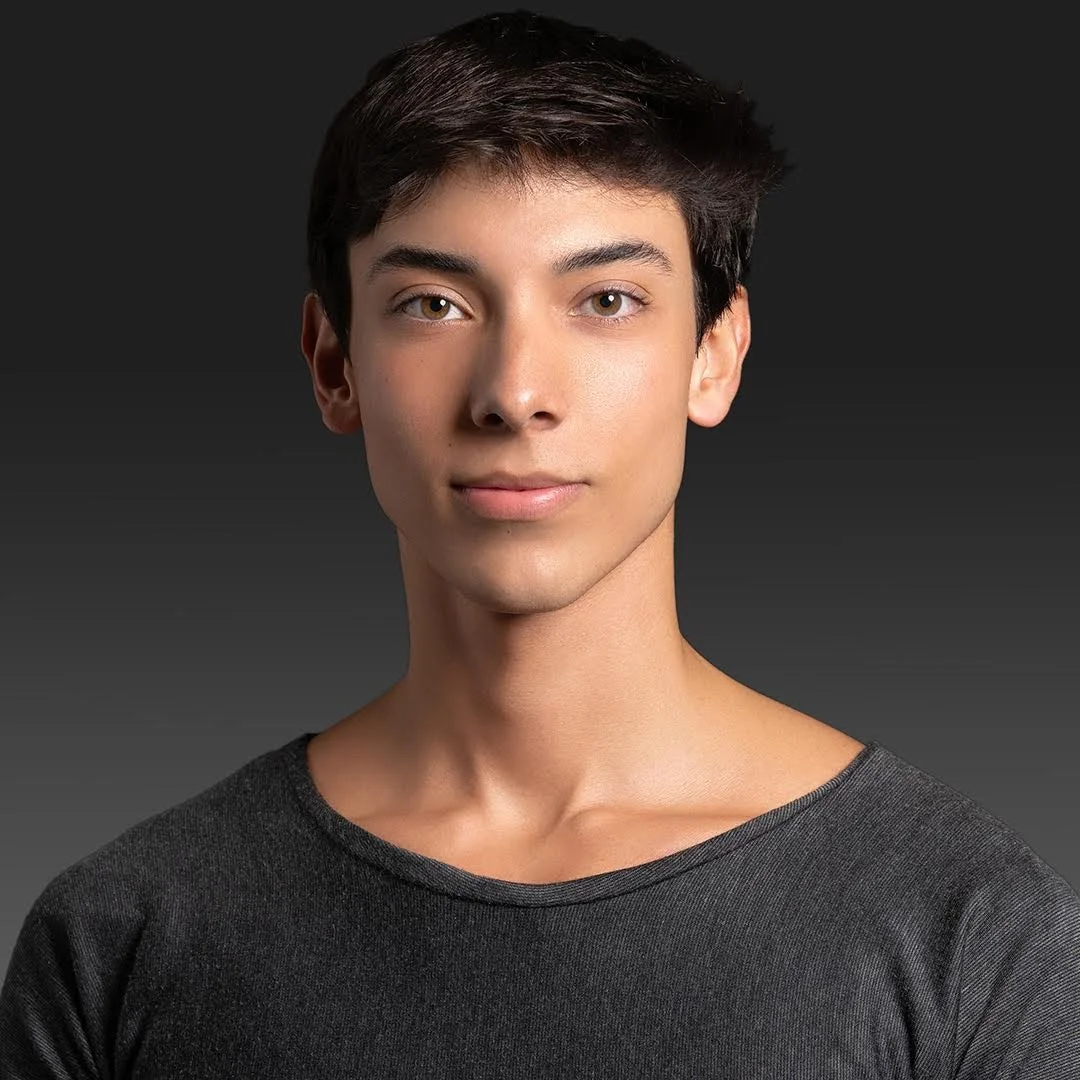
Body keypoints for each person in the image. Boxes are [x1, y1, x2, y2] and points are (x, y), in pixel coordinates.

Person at [2, 10, 1077, 1077]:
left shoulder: (964, 930)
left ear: (714, 354)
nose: (515, 393)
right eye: (434, 304)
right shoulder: (126, 937)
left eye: (607, 299)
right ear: (334, 365)